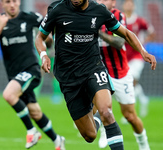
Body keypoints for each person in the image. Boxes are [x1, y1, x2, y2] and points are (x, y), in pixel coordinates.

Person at [35, 0, 156, 150]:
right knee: (89, 135)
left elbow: (125, 33)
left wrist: (143, 52)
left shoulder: (99, 11)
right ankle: (95, 116)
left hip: (94, 69)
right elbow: (39, 37)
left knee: (107, 112)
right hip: (68, 77)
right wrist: (43, 55)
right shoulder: (57, 10)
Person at [0, 0, 65, 149]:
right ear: (2, 4)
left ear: (19, 2)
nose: (12, 5)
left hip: (30, 69)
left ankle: (31, 131)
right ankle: (57, 139)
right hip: (14, 75)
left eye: (14, 1)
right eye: (8, 2)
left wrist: (48, 40)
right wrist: (1, 26)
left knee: (8, 94)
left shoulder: (30, 17)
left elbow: (47, 32)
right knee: (35, 112)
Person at [96, 0, 152, 150]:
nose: (100, 1)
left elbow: (120, 42)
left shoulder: (118, 16)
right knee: (99, 104)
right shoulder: (91, 16)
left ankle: (143, 144)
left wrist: (98, 33)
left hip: (120, 73)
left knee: (130, 116)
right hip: (100, 71)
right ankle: (103, 129)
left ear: (113, 2)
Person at [123, 0, 155, 118]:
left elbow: (152, 33)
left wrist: (143, 43)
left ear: (134, 6)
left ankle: (130, 112)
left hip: (137, 56)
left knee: (131, 81)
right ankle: (143, 99)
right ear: (124, 6)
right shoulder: (120, 20)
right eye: (127, 4)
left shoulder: (140, 21)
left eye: (131, 4)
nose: (129, 6)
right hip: (124, 56)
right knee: (130, 83)